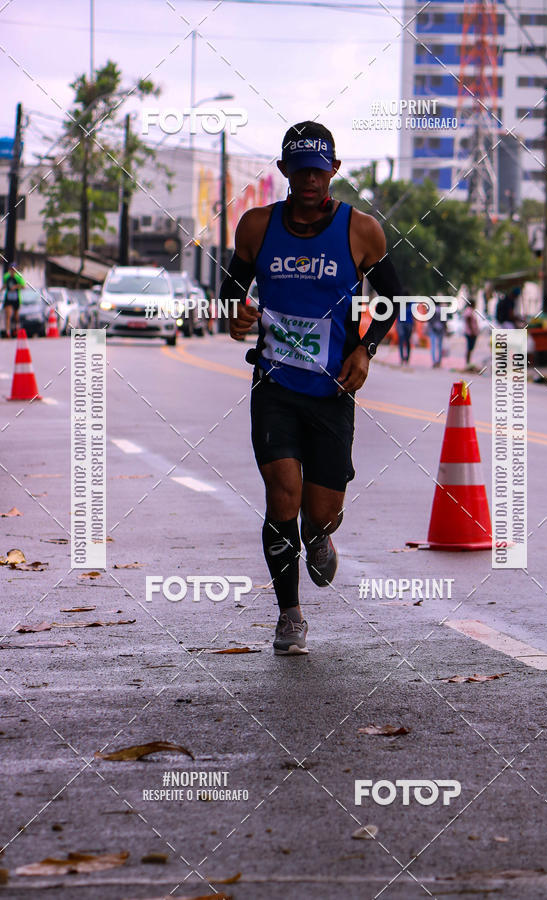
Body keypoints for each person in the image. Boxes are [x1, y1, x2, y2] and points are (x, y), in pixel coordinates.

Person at [223, 121, 402, 655]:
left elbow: (393, 300)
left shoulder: (361, 230)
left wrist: (364, 349)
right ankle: (289, 615)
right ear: (283, 171)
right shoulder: (257, 227)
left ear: (333, 170)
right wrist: (238, 313)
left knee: (318, 511)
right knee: (282, 494)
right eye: (299, 169)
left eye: (318, 170)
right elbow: (234, 288)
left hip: (332, 390)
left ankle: (321, 533)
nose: (309, 179)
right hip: (274, 384)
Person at [2, 263, 25, 338]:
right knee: (7, 314)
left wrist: (16, 286)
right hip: (8, 297)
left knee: (16, 315)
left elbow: (23, 286)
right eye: (11, 270)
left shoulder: (18, 277)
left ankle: (16, 329)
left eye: (13, 270)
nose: (12, 271)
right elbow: (5, 285)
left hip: (16, 298)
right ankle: (7, 332)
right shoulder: (6, 276)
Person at [427, 301, 446, 368]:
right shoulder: (442, 310)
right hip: (440, 329)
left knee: (433, 346)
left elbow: (429, 320)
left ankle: (434, 361)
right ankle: (439, 361)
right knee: (440, 346)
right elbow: (444, 321)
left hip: (433, 329)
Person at [395, 299, 413, 365]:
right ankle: (402, 358)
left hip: (408, 324)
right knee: (402, 340)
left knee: (407, 341)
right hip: (401, 323)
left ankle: (407, 358)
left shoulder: (411, 304)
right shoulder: (400, 303)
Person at [462, 300, 479, 368]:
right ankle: (468, 362)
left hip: (472, 332)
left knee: (470, 348)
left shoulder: (470, 310)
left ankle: (468, 362)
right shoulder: (469, 310)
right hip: (470, 332)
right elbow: (468, 320)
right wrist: (472, 330)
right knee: (469, 347)